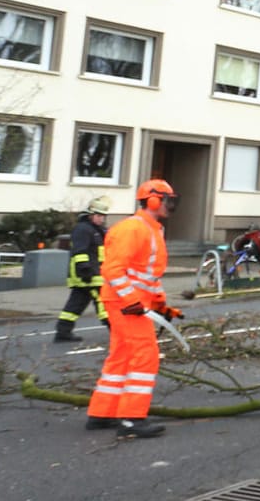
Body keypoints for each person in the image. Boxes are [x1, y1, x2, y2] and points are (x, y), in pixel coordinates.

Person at [85, 179, 181, 439]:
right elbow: (113, 271)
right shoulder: (134, 229)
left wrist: (161, 306)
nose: (170, 206)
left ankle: (102, 412)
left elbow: (148, 276)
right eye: (166, 200)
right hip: (126, 304)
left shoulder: (151, 229)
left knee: (122, 354)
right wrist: (133, 302)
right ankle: (131, 419)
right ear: (152, 200)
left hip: (130, 303)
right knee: (145, 355)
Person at [54, 196, 112, 343]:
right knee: (103, 302)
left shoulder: (97, 230)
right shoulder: (83, 229)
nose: (101, 219)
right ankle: (116, 330)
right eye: (99, 216)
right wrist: (85, 269)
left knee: (76, 304)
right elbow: (80, 251)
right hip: (87, 274)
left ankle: (63, 332)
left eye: (103, 216)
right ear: (90, 215)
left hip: (90, 274)